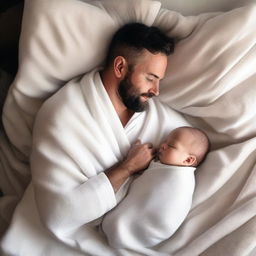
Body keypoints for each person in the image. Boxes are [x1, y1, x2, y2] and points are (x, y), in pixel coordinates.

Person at [30, 22, 189, 251]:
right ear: (120, 67)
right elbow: (57, 214)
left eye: (159, 81)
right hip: (63, 238)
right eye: (150, 78)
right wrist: (126, 168)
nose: (156, 90)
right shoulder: (61, 115)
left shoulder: (151, 112)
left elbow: (194, 146)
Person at [102, 126, 210, 249]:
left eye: (171, 146)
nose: (163, 145)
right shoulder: (163, 167)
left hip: (154, 225)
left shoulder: (182, 179)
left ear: (188, 160)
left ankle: (123, 231)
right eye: (165, 141)